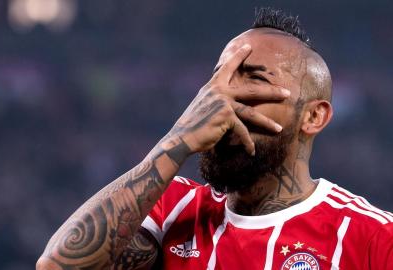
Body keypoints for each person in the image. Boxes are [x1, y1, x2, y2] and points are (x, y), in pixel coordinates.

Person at [37, 7, 393, 270]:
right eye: (218, 80)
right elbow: (57, 266)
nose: (222, 97)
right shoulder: (173, 208)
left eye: (253, 79)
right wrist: (176, 140)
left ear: (313, 116)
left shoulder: (373, 238)